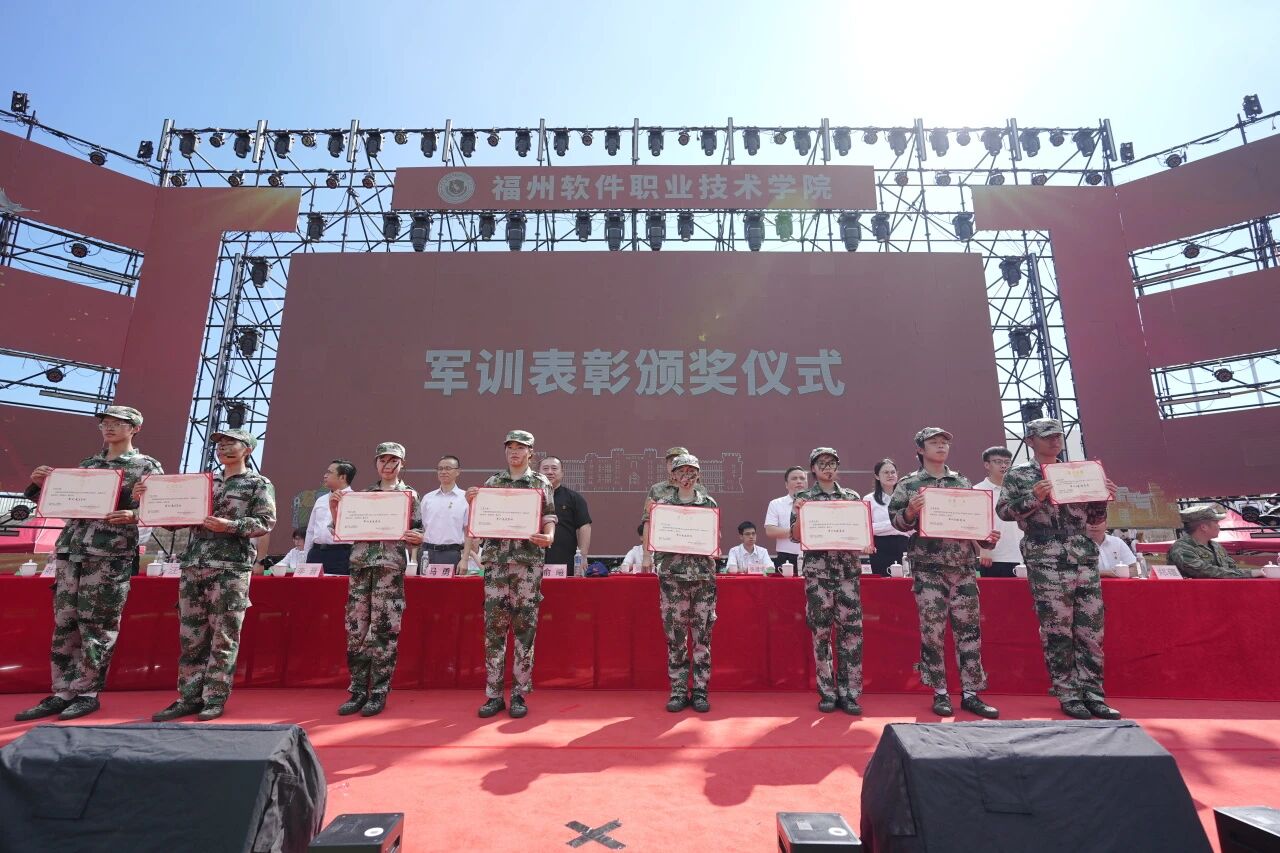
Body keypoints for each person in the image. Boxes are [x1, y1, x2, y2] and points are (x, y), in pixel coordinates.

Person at [14, 405, 163, 723]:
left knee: (97, 626)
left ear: (134, 428)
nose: (109, 427)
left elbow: (161, 507)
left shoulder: (146, 466)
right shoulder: (89, 465)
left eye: (118, 423)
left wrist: (134, 514)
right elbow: (60, 504)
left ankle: (86, 693)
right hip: (71, 551)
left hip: (109, 556)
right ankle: (62, 692)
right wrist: (39, 485)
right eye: (105, 422)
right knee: (65, 623)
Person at [997, 418, 1121, 721]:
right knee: (1057, 629)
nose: (1055, 441)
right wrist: (1034, 497)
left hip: (1082, 556)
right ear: (1030, 441)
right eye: (1047, 436)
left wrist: (1102, 499)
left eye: (1058, 436)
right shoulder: (1019, 475)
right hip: (1045, 556)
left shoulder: (1078, 473)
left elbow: (1093, 520)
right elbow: (1004, 511)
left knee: (1091, 630)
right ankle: (1068, 693)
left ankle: (1094, 694)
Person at [150, 428, 275, 721]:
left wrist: (229, 526)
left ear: (248, 450)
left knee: (223, 637)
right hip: (194, 566)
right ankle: (188, 697)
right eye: (220, 444)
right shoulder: (202, 483)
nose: (224, 448)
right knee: (191, 636)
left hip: (230, 568)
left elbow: (265, 522)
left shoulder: (258, 483)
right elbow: (173, 520)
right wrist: (151, 500)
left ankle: (214, 698)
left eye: (232, 443)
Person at [888, 428, 1000, 719]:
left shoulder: (961, 482)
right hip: (929, 569)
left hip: (963, 567)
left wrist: (987, 538)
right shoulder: (909, 484)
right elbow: (897, 522)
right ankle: (939, 692)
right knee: (933, 632)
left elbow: (974, 523)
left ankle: (971, 693)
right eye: (934, 443)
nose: (941, 447)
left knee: (969, 631)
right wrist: (910, 512)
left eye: (944, 443)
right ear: (920, 449)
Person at [467, 430, 557, 720]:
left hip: (527, 564)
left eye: (521, 447)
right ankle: (493, 694)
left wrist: (549, 536)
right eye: (510, 447)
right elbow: (480, 520)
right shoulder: (493, 483)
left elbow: (549, 516)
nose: (514, 452)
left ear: (531, 452)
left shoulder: (540, 482)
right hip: (496, 564)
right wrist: (473, 503)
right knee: (494, 630)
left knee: (524, 630)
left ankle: (519, 694)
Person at [336, 443, 425, 717]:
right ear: (376, 463)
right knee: (356, 629)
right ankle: (357, 690)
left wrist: (417, 538)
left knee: (384, 630)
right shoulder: (362, 497)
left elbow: (418, 532)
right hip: (361, 568)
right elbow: (341, 531)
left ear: (402, 464)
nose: (388, 466)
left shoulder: (409, 496)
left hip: (389, 570)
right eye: (383, 460)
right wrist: (335, 508)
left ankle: (378, 692)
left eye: (393, 461)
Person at [789, 447, 865, 715]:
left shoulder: (852, 498)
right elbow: (796, 536)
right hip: (818, 575)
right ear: (813, 468)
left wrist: (865, 541)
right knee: (821, 633)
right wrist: (800, 513)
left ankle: (850, 693)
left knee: (851, 633)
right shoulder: (804, 499)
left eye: (832, 463)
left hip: (847, 574)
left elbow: (860, 533)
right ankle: (827, 692)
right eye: (822, 463)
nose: (827, 467)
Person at [644, 454, 719, 713]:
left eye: (691, 471)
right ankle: (678, 690)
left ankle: (700, 692)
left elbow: (714, 538)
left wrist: (711, 544)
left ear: (698, 475)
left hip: (702, 580)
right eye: (681, 471)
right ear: (673, 476)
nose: (687, 476)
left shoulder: (708, 503)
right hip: (673, 580)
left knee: (702, 638)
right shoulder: (662, 506)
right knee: (675, 638)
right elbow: (655, 540)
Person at [1167, 505, 1263, 578]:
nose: (1219, 526)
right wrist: (1250, 573)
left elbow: (1232, 568)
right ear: (1204, 527)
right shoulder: (1182, 548)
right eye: (1216, 522)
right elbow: (1205, 571)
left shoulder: (1216, 546)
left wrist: (1258, 572)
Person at [973, 446, 1025, 577]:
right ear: (987, 465)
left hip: (1025, 556)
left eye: (1007, 462)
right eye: (998, 462)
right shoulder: (977, 491)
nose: (1003, 466)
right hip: (994, 558)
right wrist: (982, 548)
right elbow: (970, 525)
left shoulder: (1020, 490)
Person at [539, 456, 593, 574]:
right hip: (533, 559)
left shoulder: (574, 498)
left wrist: (583, 556)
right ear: (538, 473)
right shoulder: (531, 496)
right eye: (545, 468)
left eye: (554, 468)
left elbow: (584, 526)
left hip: (564, 560)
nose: (550, 472)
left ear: (562, 473)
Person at [304, 459, 356, 575]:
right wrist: (306, 556)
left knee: (336, 586)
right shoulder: (320, 500)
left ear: (342, 477)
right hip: (315, 554)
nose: (325, 475)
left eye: (329, 472)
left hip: (341, 555)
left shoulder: (355, 500)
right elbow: (311, 530)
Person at [419, 455, 470, 573]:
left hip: (451, 554)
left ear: (458, 472)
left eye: (448, 468)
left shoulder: (465, 498)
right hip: (427, 553)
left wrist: (465, 559)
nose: (443, 472)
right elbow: (422, 528)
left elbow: (468, 532)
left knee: (449, 586)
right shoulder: (428, 498)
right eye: (440, 468)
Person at [866, 459, 910, 575]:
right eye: (886, 472)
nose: (890, 475)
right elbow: (868, 528)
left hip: (904, 547)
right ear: (877, 476)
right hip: (880, 548)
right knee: (882, 583)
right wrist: (898, 524)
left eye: (893, 472)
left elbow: (911, 527)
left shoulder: (906, 499)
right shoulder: (869, 499)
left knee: (905, 582)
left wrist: (884, 526)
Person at [764, 466, 809, 570]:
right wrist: (796, 532)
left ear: (806, 483)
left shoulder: (815, 503)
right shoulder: (776, 504)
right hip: (786, 557)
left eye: (802, 478)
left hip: (813, 557)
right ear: (786, 484)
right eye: (794, 478)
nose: (799, 481)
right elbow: (770, 531)